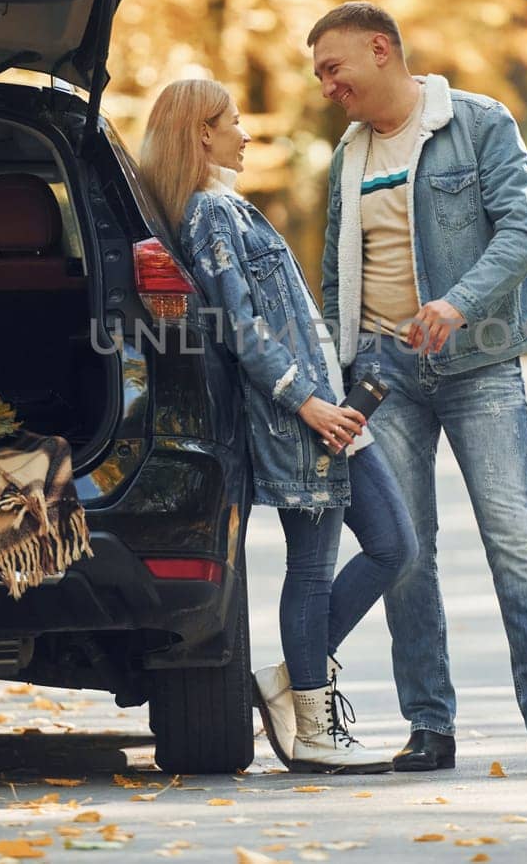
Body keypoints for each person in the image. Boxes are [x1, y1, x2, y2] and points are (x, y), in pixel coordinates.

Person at [308, 2, 527, 776]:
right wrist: (344, 372)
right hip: (385, 376)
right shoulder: (349, 156)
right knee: (406, 554)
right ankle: (428, 723)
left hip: (478, 365)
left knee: (514, 540)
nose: (328, 84)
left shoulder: (478, 122)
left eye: (335, 67)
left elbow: (523, 231)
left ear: (381, 49)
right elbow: (336, 274)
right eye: (320, 74)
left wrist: (458, 302)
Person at [136, 78, 417, 775]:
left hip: (330, 406)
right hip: (302, 416)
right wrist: (306, 403)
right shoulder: (207, 216)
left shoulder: (230, 207)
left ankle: (292, 680)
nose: (245, 130)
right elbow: (240, 327)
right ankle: (314, 724)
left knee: (393, 544)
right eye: (232, 121)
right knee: (317, 568)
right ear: (202, 133)